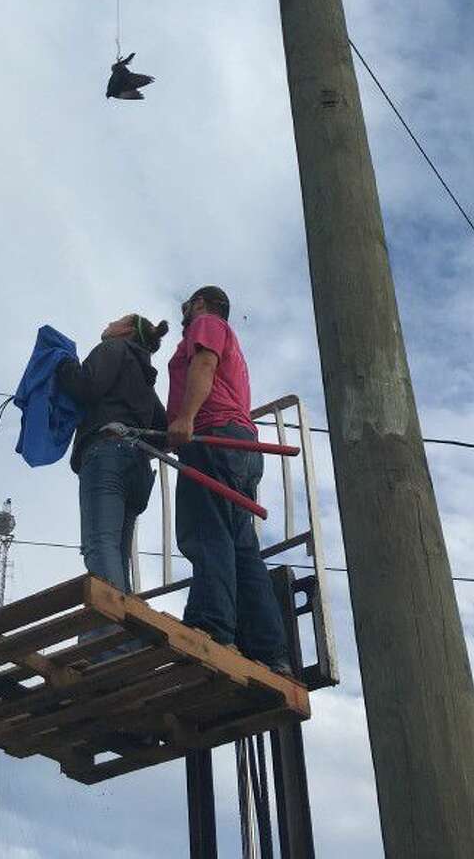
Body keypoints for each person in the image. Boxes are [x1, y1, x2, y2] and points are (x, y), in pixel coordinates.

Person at [167, 286, 292, 674]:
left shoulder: (206, 324)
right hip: (239, 445)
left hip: (212, 436)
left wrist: (186, 419)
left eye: (188, 303)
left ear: (202, 304)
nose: (184, 310)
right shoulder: (228, 339)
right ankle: (270, 652)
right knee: (241, 545)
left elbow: (203, 366)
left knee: (208, 532)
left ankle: (211, 626)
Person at [55, 312, 169, 595]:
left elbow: (87, 386)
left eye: (115, 321)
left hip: (107, 453)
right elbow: (164, 430)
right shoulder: (145, 381)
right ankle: (127, 632)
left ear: (126, 330)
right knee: (118, 554)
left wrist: (63, 365)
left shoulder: (113, 348)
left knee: (100, 546)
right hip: (137, 466)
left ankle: (114, 631)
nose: (107, 324)